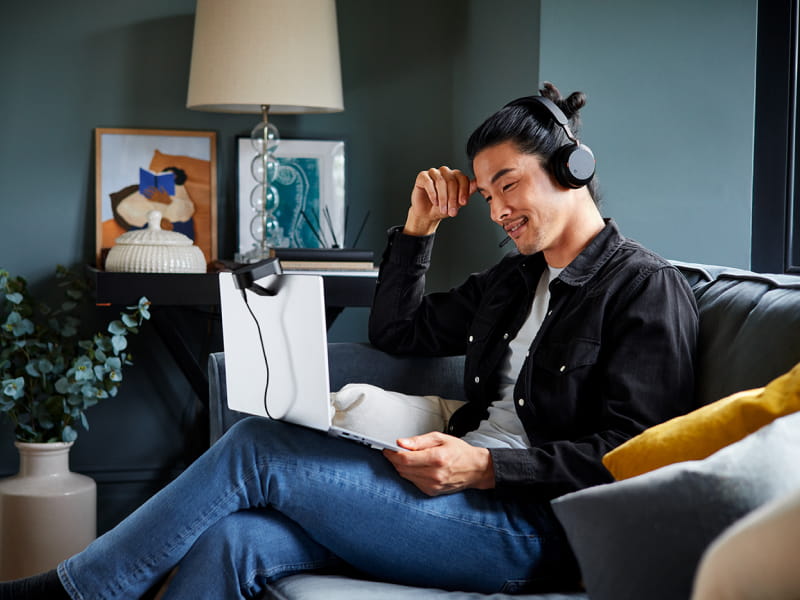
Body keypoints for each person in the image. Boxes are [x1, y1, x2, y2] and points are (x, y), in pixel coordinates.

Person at [1, 83, 698, 599]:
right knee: (235, 539)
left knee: (255, 447)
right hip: (449, 497)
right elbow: (396, 330)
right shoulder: (515, 281)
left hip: (532, 529)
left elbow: (637, 456)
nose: (497, 211)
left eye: (507, 185)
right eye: (487, 195)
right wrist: (419, 229)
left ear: (572, 168)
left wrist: (488, 469)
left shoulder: (644, 288)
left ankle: (73, 593)